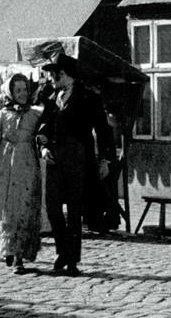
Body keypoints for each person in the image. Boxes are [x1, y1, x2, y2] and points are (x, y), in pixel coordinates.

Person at [37, 53, 114, 276]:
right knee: (52, 207)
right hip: (55, 158)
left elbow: (103, 130)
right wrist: (43, 147)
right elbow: (44, 127)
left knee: (74, 210)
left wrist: (105, 159)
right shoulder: (52, 98)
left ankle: (72, 260)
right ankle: (63, 249)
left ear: (63, 74)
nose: (50, 78)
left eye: (52, 74)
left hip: (78, 159)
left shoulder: (88, 97)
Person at [0, 73, 43, 274]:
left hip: (27, 164)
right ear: (10, 93)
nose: (22, 94)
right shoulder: (0, 116)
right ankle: (7, 247)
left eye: (25, 89)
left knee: (25, 206)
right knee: (5, 208)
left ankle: (19, 255)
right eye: (18, 90)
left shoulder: (35, 115)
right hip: (5, 165)